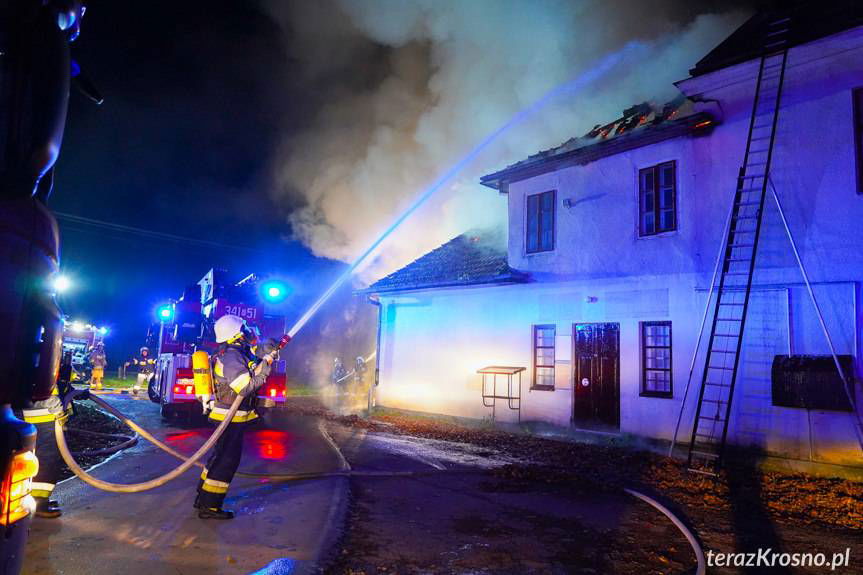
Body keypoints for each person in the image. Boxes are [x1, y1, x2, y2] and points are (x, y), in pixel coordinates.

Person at [194, 314, 282, 519]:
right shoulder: (232, 357)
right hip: (229, 418)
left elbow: (255, 352)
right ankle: (210, 507)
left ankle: (203, 497)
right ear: (236, 335)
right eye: (243, 329)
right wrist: (265, 368)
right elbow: (245, 387)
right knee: (226, 461)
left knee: (219, 457)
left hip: (229, 417)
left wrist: (269, 347)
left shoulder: (235, 351)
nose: (248, 332)